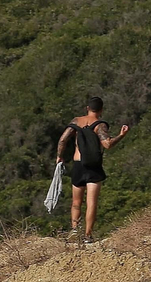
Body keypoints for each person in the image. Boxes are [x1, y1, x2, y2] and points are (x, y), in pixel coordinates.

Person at [55, 96, 129, 243]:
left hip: (78, 165)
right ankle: (88, 236)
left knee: (76, 202)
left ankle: (75, 230)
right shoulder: (100, 125)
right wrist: (121, 135)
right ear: (101, 110)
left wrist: (59, 156)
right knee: (91, 202)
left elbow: (63, 140)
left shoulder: (76, 121)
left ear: (87, 108)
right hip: (93, 167)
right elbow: (107, 144)